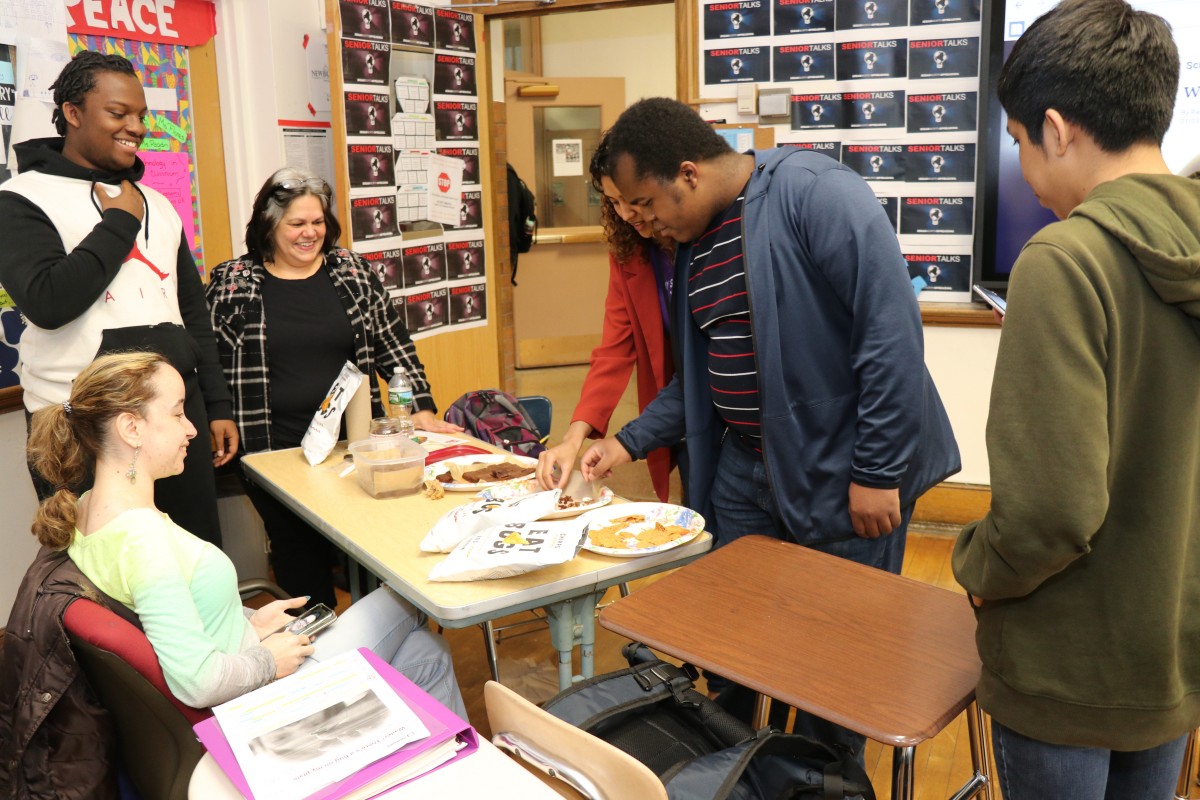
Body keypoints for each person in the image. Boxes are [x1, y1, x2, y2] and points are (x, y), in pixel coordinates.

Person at [581, 98, 960, 753]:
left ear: (689, 174)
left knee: (835, 664)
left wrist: (876, 471)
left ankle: (821, 781)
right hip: (746, 469)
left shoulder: (818, 195)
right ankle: (740, 771)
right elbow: (702, 379)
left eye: (643, 205)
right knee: (731, 644)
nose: (639, 224)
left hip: (843, 473)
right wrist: (623, 441)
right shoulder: (697, 246)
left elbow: (891, 337)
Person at [951, 2, 1200, 797]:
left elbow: (1050, 512)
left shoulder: (1065, 259)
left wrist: (977, 566)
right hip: (1170, 647)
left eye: (1020, 143)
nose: (1023, 166)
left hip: (1068, 665)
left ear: (1056, 129)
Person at [28, 351, 466, 719]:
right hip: (257, 706)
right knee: (415, 592)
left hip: (244, 665)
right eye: (178, 413)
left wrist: (249, 624)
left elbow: (176, 613)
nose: (192, 428)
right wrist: (267, 659)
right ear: (132, 428)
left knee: (427, 654)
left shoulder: (87, 508)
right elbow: (197, 683)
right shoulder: (144, 540)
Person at [0, 50, 236, 547]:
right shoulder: (21, 198)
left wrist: (215, 405)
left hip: (174, 417)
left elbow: (190, 312)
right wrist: (121, 222)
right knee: (102, 576)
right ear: (72, 112)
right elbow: (47, 301)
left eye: (141, 115)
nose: (136, 126)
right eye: (118, 113)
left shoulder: (160, 204)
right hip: (81, 425)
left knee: (191, 560)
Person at [206, 168, 462, 608]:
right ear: (269, 225)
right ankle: (318, 647)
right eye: (297, 224)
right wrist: (217, 413)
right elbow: (209, 360)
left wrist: (420, 405)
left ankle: (374, 640)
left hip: (352, 448)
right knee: (299, 555)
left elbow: (393, 342)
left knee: (366, 545)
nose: (310, 233)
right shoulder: (234, 283)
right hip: (274, 451)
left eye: (318, 222)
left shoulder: (352, 272)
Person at [536, 133, 679, 502]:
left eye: (633, 200)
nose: (626, 214)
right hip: (673, 403)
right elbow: (614, 351)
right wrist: (573, 438)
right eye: (613, 202)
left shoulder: (696, 236)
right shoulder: (629, 252)